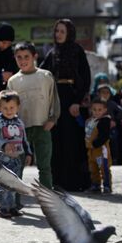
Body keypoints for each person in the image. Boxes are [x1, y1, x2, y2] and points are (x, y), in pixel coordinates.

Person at [40, 19, 91, 191]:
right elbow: (42, 73)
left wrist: (77, 101)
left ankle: (75, 181)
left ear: (69, 33)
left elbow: (85, 78)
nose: (59, 34)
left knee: (72, 139)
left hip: (72, 98)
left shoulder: (77, 51)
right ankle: (58, 180)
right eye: (57, 31)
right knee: (57, 139)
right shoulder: (52, 52)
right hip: (55, 99)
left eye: (62, 31)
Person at [6, 42, 60, 189]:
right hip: (20, 130)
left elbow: (53, 99)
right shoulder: (13, 81)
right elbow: (8, 106)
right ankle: (14, 202)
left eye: (26, 57)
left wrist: (52, 119)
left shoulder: (46, 76)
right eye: (19, 57)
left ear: (34, 56)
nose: (23, 61)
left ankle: (48, 199)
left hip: (43, 126)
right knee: (17, 166)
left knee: (45, 166)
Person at [0, 90, 32, 218]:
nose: (9, 110)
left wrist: (28, 153)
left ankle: (11, 207)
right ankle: (2, 208)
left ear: (18, 107)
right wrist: (4, 145)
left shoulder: (19, 123)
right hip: (3, 159)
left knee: (14, 184)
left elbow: (24, 139)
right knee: (3, 184)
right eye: (5, 108)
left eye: (12, 107)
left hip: (16, 159)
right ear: (0, 108)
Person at [85, 96, 112, 193]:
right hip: (91, 150)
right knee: (93, 168)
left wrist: (95, 144)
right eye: (94, 110)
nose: (97, 112)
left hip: (101, 150)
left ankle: (107, 185)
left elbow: (104, 136)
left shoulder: (105, 121)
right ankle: (95, 185)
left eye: (100, 110)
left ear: (105, 110)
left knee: (103, 168)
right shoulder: (90, 121)